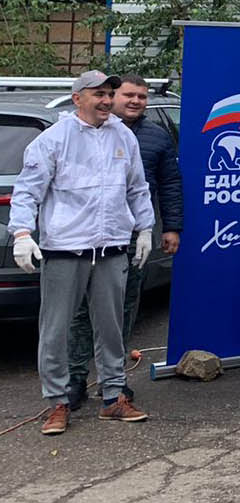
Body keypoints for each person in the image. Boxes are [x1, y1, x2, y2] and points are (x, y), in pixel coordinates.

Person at [11, 69, 155, 436]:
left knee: (111, 328)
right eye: (98, 94)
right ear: (78, 98)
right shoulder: (54, 139)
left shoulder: (123, 136)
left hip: (111, 248)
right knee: (55, 330)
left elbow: (137, 187)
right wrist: (22, 233)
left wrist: (145, 228)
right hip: (65, 249)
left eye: (109, 93)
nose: (106, 100)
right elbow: (28, 189)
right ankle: (57, 402)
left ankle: (113, 397)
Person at [65, 70, 183, 408]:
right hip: (82, 235)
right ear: (111, 97)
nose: (135, 101)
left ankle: (112, 380)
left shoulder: (157, 137)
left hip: (131, 235)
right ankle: (74, 379)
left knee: (123, 309)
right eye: (129, 95)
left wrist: (171, 227)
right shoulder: (80, 133)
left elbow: (170, 183)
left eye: (141, 97)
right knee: (79, 311)